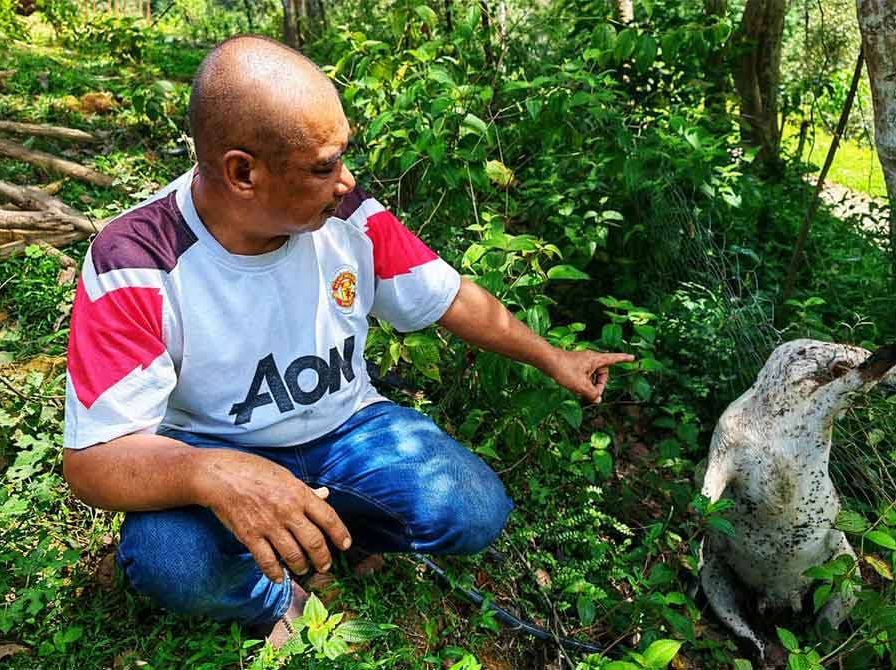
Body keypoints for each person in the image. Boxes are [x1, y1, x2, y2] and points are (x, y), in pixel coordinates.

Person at [62, 34, 632, 645]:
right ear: (243, 173)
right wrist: (218, 474)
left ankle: (329, 532)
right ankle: (274, 597)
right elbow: (94, 459)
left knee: (471, 507)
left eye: (342, 157)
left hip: (346, 429)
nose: (345, 180)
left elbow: (446, 294)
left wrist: (553, 358)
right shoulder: (139, 259)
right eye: (322, 166)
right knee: (169, 563)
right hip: (211, 446)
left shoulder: (346, 215)